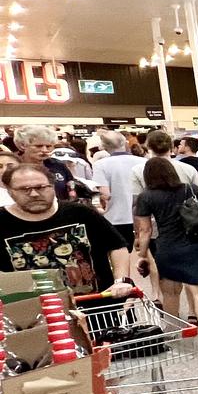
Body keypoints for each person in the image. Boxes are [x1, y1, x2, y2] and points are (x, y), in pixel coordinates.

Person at [0, 164, 132, 297]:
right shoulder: (3, 221)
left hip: (98, 307)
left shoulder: (80, 212)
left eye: (41, 187)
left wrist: (121, 281)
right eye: (24, 189)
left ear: (53, 186)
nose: (34, 194)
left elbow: (117, 246)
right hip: (36, 312)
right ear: (9, 190)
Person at [133, 158, 198, 348]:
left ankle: (172, 335)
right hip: (196, 245)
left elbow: (145, 230)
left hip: (168, 247)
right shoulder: (189, 188)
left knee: (170, 293)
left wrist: (142, 255)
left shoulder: (146, 197)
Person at [93, 130, 147, 257]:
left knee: (120, 255)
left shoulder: (100, 165)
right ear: (125, 143)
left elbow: (104, 193)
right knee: (147, 256)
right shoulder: (143, 162)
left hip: (116, 217)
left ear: (104, 146)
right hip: (143, 216)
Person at [13, 125, 83, 201]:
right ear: (23, 145)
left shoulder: (58, 165)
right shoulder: (12, 165)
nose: (44, 150)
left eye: (48, 146)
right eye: (39, 146)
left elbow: (71, 189)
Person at [131, 130, 198, 196]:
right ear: (171, 146)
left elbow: (136, 200)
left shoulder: (138, 170)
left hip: (152, 206)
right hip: (183, 205)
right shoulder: (189, 169)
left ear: (148, 146)